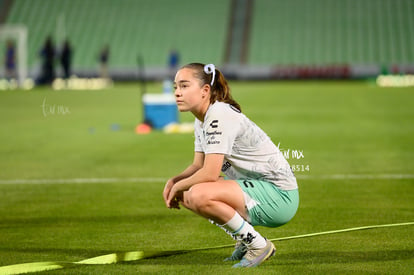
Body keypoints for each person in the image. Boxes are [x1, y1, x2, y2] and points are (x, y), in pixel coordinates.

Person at [163, 63, 299, 268]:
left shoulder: (218, 115)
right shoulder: (202, 119)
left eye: (184, 86)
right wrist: (174, 182)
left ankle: (258, 245)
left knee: (199, 193)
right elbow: (198, 165)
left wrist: (177, 186)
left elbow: (209, 173)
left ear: (205, 91)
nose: (177, 93)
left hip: (279, 197)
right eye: (175, 87)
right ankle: (246, 239)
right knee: (186, 192)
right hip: (257, 188)